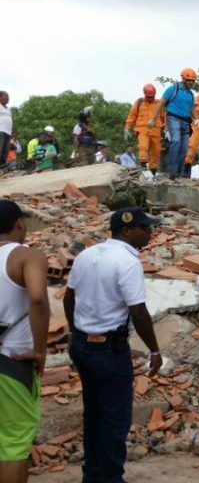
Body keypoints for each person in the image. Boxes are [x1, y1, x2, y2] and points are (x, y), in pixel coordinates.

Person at [64, 207, 162, 483]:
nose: (150, 233)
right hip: (109, 350)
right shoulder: (127, 261)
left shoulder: (87, 254)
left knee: (94, 414)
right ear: (128, 230)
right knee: (115, 418)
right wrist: (154, 350)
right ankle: (110, 478)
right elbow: (139, 312)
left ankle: (92, 475)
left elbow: (68, 298)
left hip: (83, 345)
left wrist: (74, 333)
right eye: (146, 228)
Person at [0, 201, 50, 483]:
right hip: (12, 361)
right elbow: (38, 298)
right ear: (19, 223)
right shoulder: (27, 256)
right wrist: (40, 350)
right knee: (15, 441)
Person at [154, 68, 197, 179]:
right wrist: (152, 119)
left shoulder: (191, 94)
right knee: (176, 141)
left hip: (186, 122)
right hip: (173, 118)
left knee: (184, 150)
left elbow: (192, 109)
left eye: (193, 81)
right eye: (189, 80)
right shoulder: (173, 89)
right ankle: (172, 171)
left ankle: (177, 174)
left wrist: (196, 119)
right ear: (183, 79)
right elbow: (160, 103)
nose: (191, 83)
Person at [124, 84, 164, 173]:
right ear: (145, 94)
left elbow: (165, 117)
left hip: (156, 130)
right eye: (149, 97)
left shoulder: (159, 104)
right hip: (142, 129)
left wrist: (167, 129)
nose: (150, 98)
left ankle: (153, 171)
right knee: (143, 147)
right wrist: (127, 128)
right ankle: (143, 168)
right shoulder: (139, 102)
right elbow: (132, 116)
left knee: (156, 151)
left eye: (152, 96)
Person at [0, 91, 13, 171]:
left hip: (8, 132)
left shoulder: (8, 109)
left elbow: (11, 120)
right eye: (6, 96)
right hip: (0, 131)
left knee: (6, 150)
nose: (8, 98)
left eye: (8, 96)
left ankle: (2, 165)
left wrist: (13, 132)